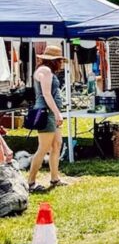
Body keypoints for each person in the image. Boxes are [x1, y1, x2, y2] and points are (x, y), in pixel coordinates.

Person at [27, 46, 68, 194]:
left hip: (49, 112)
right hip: (46, 112)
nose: (61, 64)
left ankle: (55, 178)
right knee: (43, 148)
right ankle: (30, 182)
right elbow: (46, 94)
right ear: (55, 61)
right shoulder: (45, 71)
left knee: (56, 145)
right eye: (60, 61)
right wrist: (57, 113)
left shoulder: (44, 70)